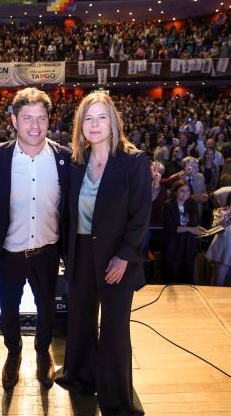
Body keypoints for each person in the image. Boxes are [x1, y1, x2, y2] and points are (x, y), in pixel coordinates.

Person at [54, 91, 151, 415]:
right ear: (81, 125)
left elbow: (140, 215)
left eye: (101, 117)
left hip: (117, 259)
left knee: (114, 329)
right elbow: (68, 213)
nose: (94, 124)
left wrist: (124, 256)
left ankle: (116, 398)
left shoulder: (133, 161)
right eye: (88, 118)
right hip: (81, 254)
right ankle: (80, 377)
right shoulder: (75, 162)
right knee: (80, 321)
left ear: (113, 122)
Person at [0, 87, 70, 390]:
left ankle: (42, 352)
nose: (35, 126)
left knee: (46, 306)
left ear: (49, 120)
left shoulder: (65, 158)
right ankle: (13, 354)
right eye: (27, 118)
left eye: (41, 118)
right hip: (10, 251)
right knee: (8, 306)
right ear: (13, 120)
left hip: (47, 251)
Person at [161, 180, 206, 284]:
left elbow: (195, 222)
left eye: (187, 191)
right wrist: (190, 229)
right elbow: (170, 228)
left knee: (188, 276)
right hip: (173, 245)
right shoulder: (168, 205)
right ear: (176, 192)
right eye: (182, 191)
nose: (185, 193)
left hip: (189, 244)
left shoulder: (192, 204)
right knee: (172, 276)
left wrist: (201, 229)